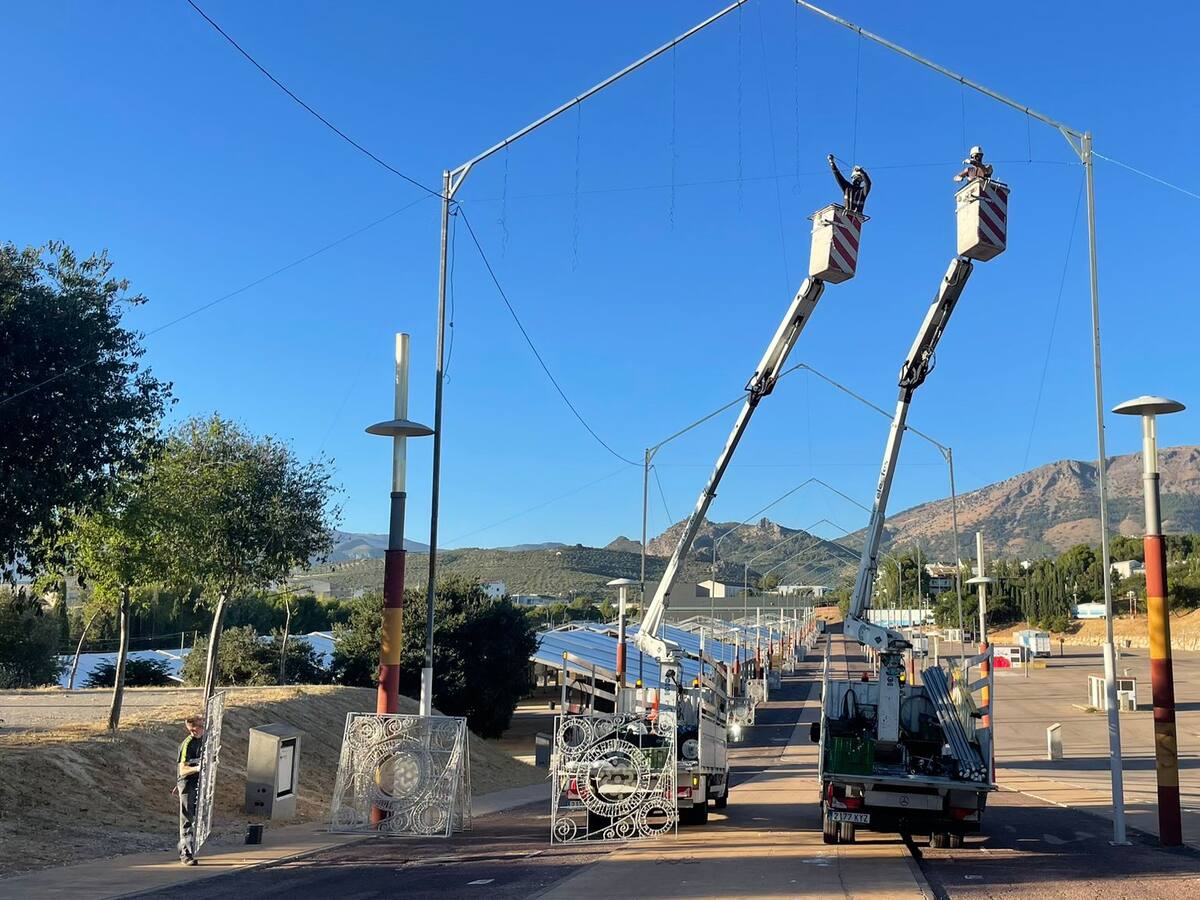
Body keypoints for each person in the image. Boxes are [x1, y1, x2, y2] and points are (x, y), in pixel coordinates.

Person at [174, 714, 205, 865]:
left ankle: (185, 846)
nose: (203, 728)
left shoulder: (203, 741)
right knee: (187, 818)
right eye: (200, 725)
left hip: (198, 782)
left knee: (197, 817)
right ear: (193, 730)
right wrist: (199, 767)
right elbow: (183, 769)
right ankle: (185, 855)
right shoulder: (187, 744)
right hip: (187, 783)